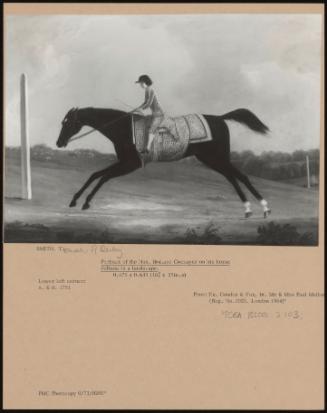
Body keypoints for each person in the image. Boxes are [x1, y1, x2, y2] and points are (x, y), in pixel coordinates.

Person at [134, 74, 165, 153]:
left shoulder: (150, 90)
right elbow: (145, 102)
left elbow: (149, 103)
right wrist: (138, 108)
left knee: (151, 130)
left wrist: (141, 108)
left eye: (141, 83)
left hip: (159, 115)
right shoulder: (147, 90)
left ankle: (147, 148)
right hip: (154, 114)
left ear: (145, 82)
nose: (140, 85)